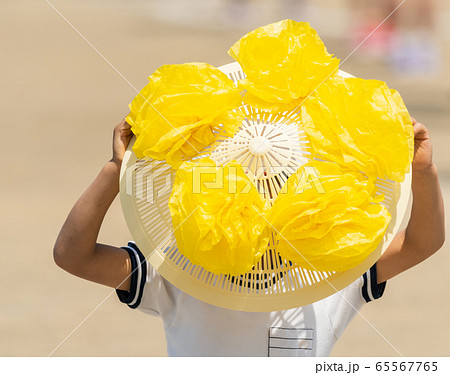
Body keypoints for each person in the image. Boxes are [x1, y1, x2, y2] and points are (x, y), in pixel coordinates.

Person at [53, 116, 445, 356]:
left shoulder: (333, 270)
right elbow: (73, 256)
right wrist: (116, 170)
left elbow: (422, 243)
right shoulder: (174, 270)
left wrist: (422, 170)